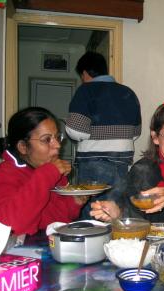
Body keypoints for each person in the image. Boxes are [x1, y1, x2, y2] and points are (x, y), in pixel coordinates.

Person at [0, 107, 88, 235]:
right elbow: (11, 227)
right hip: (22, 251)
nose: (58, 145)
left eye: (57, 137)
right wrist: (48, 174)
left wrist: (74, 202)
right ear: (23, 147)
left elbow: (59, 218)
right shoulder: (4, 175)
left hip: (52, 243)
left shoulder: (50, 171)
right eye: (46, 139)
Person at [65, 51, 141, 220]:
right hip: (123, 163)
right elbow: (135, 133)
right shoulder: (128, 92)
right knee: (115, 212)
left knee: (94, 214)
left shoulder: (85, 91)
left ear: (85, 73)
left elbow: (76, 131)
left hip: (94, 162)